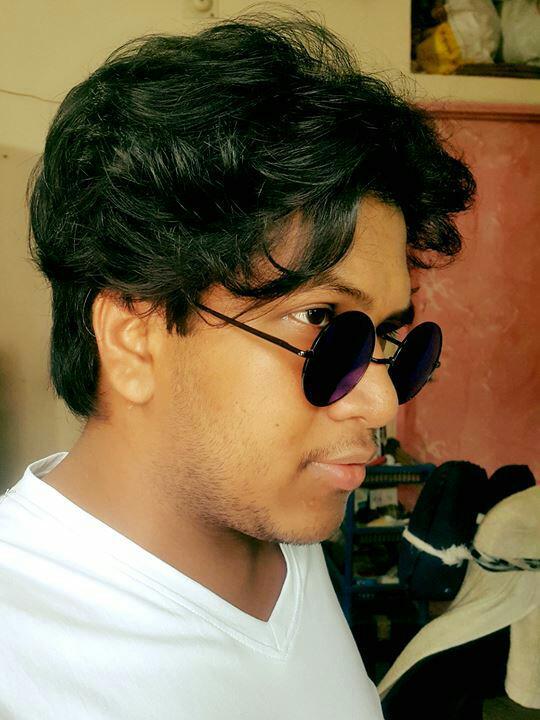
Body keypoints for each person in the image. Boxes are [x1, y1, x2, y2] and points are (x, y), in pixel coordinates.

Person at [0, 13, 475, 719]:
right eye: (321, 320)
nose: (381, 401)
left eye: (387, 336)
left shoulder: (285, 534)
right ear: (134, 339)